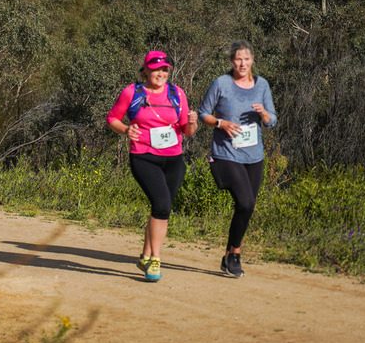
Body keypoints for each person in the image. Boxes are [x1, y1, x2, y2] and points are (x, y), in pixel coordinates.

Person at [106, 50, 198, 282]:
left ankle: (146, 255)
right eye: (156, 68)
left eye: (165, 69)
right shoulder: (132, 92)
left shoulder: (177, 93)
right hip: (144, 156)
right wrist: (127, 130)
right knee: (162, 205)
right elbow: (112, 119)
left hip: (174, 159)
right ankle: (156, 259)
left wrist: (193, 124)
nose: (161, 73)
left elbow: (187, 130)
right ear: (145, 70)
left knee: (161, 208)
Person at [198, 41, 278, 278]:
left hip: (254, 156)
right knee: (244, 202)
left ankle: (229, 254)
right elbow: (203, 113)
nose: (242, 64)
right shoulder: (221, 84)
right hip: (226, 154)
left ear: (253, 60)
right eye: (238, 59)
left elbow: (272, 120)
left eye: (246, 59)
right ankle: (235, 254)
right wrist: (220, 123)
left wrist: (263, 113)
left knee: (247, 206)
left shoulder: (262, 84)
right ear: (231, 62)